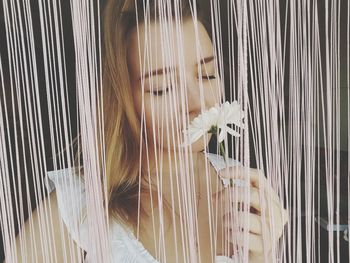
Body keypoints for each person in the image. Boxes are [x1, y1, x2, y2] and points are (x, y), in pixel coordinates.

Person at [7, 0, 288, 262]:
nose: (197, 103)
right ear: (125, 101)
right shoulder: (82, 203)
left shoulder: (243, 187)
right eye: (162, 88)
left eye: (207, 74)